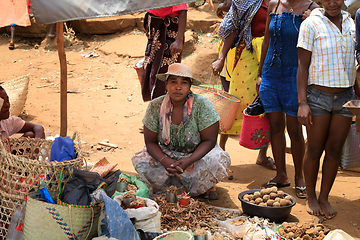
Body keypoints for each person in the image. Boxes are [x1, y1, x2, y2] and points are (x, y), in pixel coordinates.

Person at [132, 63, 231, 200]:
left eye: (183, 83)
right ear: (166, 85)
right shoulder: (155, 105)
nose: (178, 87)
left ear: (190, 86)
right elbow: (150, 142)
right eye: (173, 82)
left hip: (196, 156)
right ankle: (191, 187)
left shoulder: (202, 105)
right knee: (142, 160)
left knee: (217, 160)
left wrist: (188, 161)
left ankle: (204, 185)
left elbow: (210, 141)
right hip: (167, 154)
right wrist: (165, 161)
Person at [297, 0, 359, 218]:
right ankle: (311, 196)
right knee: (314, 149)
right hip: (318, 98)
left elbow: (353, 63)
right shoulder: (311, 24)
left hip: (345, 98)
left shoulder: (351, 23)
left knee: (334, 150)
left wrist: (358, 98)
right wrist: (303, 103)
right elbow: (302, 66)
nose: (332, 2)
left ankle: (324, 196)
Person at [256, 0, 318, 198]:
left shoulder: (313, 9)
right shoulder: (274, 4)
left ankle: (299, 177)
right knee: (275, 126)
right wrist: (260, 73)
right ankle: (281, 175)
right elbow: (267, 40)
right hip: (271, 74)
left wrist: (314, 21)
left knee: (294, 128)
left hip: (296, 76)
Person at [212, 0, 276, 171]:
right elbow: (232, 27)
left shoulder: (284, 3)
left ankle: (262, 156)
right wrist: (221, 58)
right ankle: (220, 151)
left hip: (273, 56)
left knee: (268, 104)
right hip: (249, 54)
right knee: (235, 101)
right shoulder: (245, 1)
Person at [141, 4, 187, 102]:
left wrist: (179, 40)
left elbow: (183, 10)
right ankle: (158, 107)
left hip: (169, 32)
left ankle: (166, 109)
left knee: (163, 74)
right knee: (150, 71)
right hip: (155, 29)